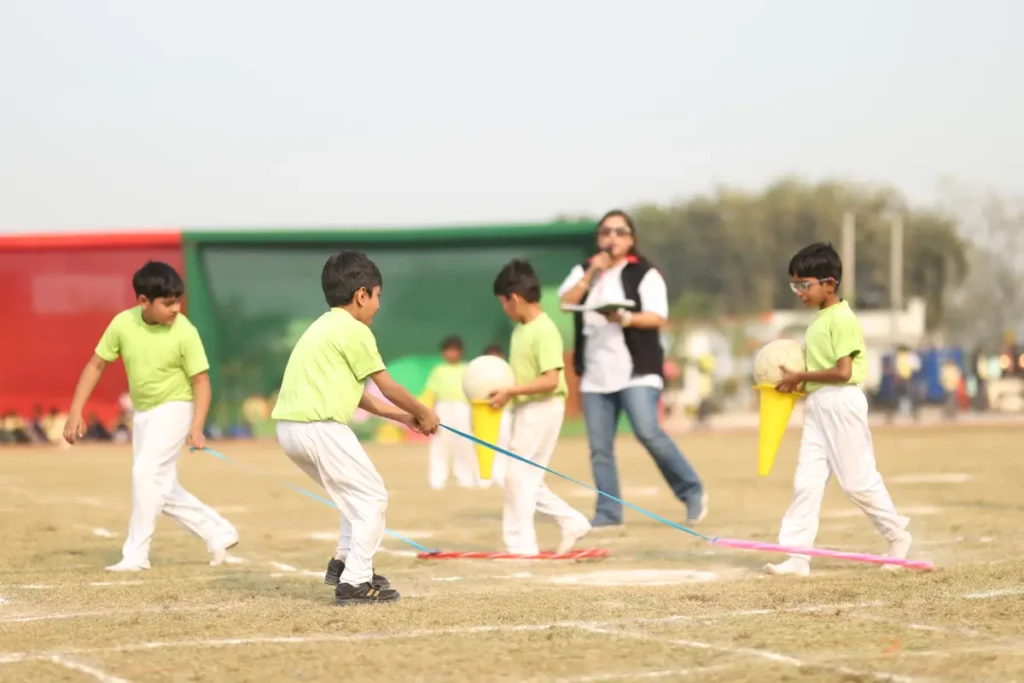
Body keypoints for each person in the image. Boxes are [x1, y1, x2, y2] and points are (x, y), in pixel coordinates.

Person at [272, 250, 439, 604]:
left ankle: (345, 563)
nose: (378, 305)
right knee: (372, 498)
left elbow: (359, 395)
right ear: (361, 294)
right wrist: (425, 412)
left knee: (354, 498)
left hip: (291, 430)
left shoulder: (323, 326)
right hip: (319, 428)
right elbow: (388, 385)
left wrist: (404, 417)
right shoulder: (354, 330)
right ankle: (356, 582)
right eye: (377, 296)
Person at [63, 261, 239, 572]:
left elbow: (201, 382)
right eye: (168, 303)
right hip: (143, 413)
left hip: (176, 407)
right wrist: (75, 411)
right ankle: (218, 532)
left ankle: (136, 554)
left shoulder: (186, 331)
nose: (176, 309)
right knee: (158, 486)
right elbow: (95, 365)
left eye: (178, 301)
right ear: (143, 301)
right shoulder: (122, 324)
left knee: (145, 473)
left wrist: (197, 427)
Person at [558, 209, 706, 531]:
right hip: (596, 374)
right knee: (599, 448)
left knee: (647, 431)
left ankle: (691, 490)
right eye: (605, 232)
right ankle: (609, 513)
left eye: (620, 231)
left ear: (632, 238)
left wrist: (625, 318)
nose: (612, 237)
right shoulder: (585, 269)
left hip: (637, 369)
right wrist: (589, 275)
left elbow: (657, 316)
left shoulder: (645, 272)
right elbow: (565, 303)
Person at [769, 242, 912, 576]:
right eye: (795, 285)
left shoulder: (842, 319)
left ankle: (897, 537)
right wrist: (799, 383)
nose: (799, 292)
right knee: (806, 481)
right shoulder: (818, 321)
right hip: (818, 405)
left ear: (829, 284)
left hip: (841, 401)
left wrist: (802, 375)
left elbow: (843, 372)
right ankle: (797, 556)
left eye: (804, 284)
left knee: (856, 482)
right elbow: (821, 372)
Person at [490, 259, 591, 555]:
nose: (504, 309)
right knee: (524, 479)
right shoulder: (520, 330)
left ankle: (520, 546)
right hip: (525, 409)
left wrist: (511, 391)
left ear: (515, 298)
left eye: (503, 303)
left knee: (515, 477)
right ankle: (571, 521)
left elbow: (550, 380)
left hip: (542, 407)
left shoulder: (543, 330)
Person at [423, 335, 479, 489]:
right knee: (440, 443)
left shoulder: (467, 369)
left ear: (461, 352)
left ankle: (466, 478)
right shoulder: (439, 370)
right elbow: (431, 392)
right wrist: (428, 413)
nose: (451, 354)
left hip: (463, 407)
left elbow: (474, 391)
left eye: (455, 350)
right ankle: (437, 480)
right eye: (448, 350)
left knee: (465, 443)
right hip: (443, 407)